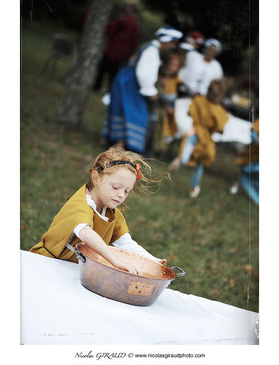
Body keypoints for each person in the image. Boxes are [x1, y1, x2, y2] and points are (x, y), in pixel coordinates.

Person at [30, 146, 167, 275]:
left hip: (72, 270)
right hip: (45, 264)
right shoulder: (80, 204)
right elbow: (85, 233)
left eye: (126, 191)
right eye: (116, 187)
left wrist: (154, 262)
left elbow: (126, 243)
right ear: (96, 178)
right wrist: (115, 261)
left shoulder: (112, 213)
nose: (121, 195)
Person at [103, 26, 183, 154]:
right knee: (134, 114)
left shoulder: (152, 49)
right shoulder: (151, 51)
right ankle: (119, 145)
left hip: (130, 81)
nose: (172, 46)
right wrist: (150, 91)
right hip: (131, 83)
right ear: (167, 41)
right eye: (173, 43)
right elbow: (143, 74)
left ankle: (118, 144)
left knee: (127, 112)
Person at [168, 78, 229, 198]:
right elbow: (191, 113)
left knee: (200, 162)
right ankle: (180, 159)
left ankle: (194, 186)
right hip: (194, 133)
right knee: (185, 159)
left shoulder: (219, 111)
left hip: (205, 139)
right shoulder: (199, 101)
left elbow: (220, 128)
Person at [94, 3, 140, 91]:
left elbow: (109, 29)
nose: (126, 10)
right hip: (120, 52)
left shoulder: (125, 20)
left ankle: (100, 88)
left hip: (115, 50)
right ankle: (107, 89)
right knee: (111, 72)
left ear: (132, 11)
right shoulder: (134, 23)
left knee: (105, 70)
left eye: (128, 8)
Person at [229, 118, 259, 205]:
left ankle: (253, 191)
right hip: (254, 153)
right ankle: (238, 184)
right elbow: (252, 132)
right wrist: (257, 140)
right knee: (245, 170)